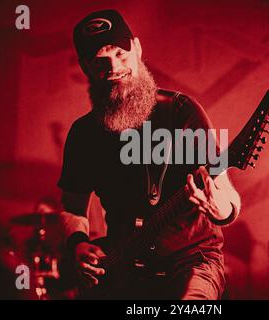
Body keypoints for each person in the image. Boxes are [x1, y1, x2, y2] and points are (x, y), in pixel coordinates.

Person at [58, 9, 241, 299]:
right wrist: (78, 244)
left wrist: (221, 208)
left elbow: (226, 194)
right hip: (121, 266)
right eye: (100, 61)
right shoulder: (84, 135)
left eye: (120, 53)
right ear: (85, 67)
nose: (114, 67)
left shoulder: (181, 112)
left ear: (138, 49)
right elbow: (72, 207)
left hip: (191, 261)